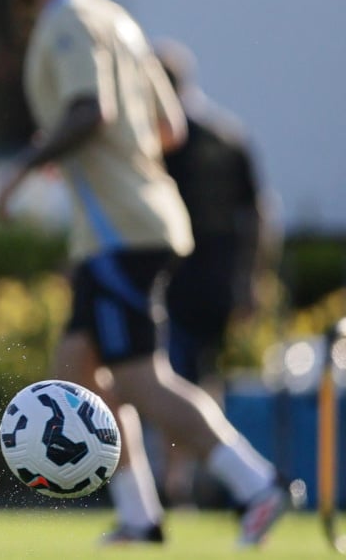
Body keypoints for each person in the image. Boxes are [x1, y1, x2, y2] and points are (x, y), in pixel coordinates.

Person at [0, 0, 286, 547]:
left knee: (138, 379)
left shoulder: (63, 22)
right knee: (75, 369)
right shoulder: (115, 19)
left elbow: (89, 110)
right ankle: (139, 515)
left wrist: (24, 164)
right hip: (128, 222)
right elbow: (168, 127)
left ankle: (257, 484)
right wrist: (91, 153)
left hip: (122, 228)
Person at [152, 38, 274, 507]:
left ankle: (183, 483)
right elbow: (259, 214)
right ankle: (207, 479)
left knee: (171, 381)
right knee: (201, 379)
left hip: (176, 277)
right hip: (220, 279)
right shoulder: (229, 134)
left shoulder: (167, 138)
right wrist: (251, 278)